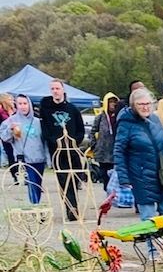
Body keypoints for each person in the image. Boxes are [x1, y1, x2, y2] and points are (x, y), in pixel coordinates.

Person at [113, 86, 163, 219]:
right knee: (149, 219)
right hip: (141, 177)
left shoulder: (155, 120)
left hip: (162, 176)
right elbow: (119, 151)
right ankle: (151, 240)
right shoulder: (126, 123)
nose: (145, 107)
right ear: (133, 105)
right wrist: (124, 178)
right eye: (141, 104)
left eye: (148, 103)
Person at [38, 79, 85, 221]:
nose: (55, 91)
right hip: (57, 151)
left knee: (75, 178)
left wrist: (74, 141)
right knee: (63, 180)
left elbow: (80, 129)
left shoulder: (72, 109)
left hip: (72, 149)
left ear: (63, 90)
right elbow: (45, 129)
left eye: (57, 88)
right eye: (52, 88)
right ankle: (71, 209)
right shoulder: (46, 108)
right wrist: (54, 141)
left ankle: (74, 205)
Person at [0, 93, 46, 202]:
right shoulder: (11, 121)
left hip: (39, 158)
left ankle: (36, 205)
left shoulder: (38, 122)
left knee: (38, 185)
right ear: (16, 105)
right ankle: (35, 207)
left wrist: (47, 158)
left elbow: (44, 140)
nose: (23, 106)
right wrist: (10, 130)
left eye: (25, 103)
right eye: (20, 104)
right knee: (32, 183)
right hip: (24, 159)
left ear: (29, 104)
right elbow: (5, 138)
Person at [89, 93, 120, 188]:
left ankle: (114, 197)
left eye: (115, 102)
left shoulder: (119, 117)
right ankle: (107, 195)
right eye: (110, 102)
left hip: (115, 152)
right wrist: (94, 146)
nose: (113, 104)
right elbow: (93, 132)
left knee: (115, 178)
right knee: (104, 177)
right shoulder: (100, 117)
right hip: (102, 153)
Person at [0, 93, 16, 177]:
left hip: (17, 136)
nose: (12, 101)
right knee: (10, 155)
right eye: (10, 99)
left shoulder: (15, 110)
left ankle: (21, 173)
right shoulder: (1, 112)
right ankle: (14, 175)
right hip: (6, 136)